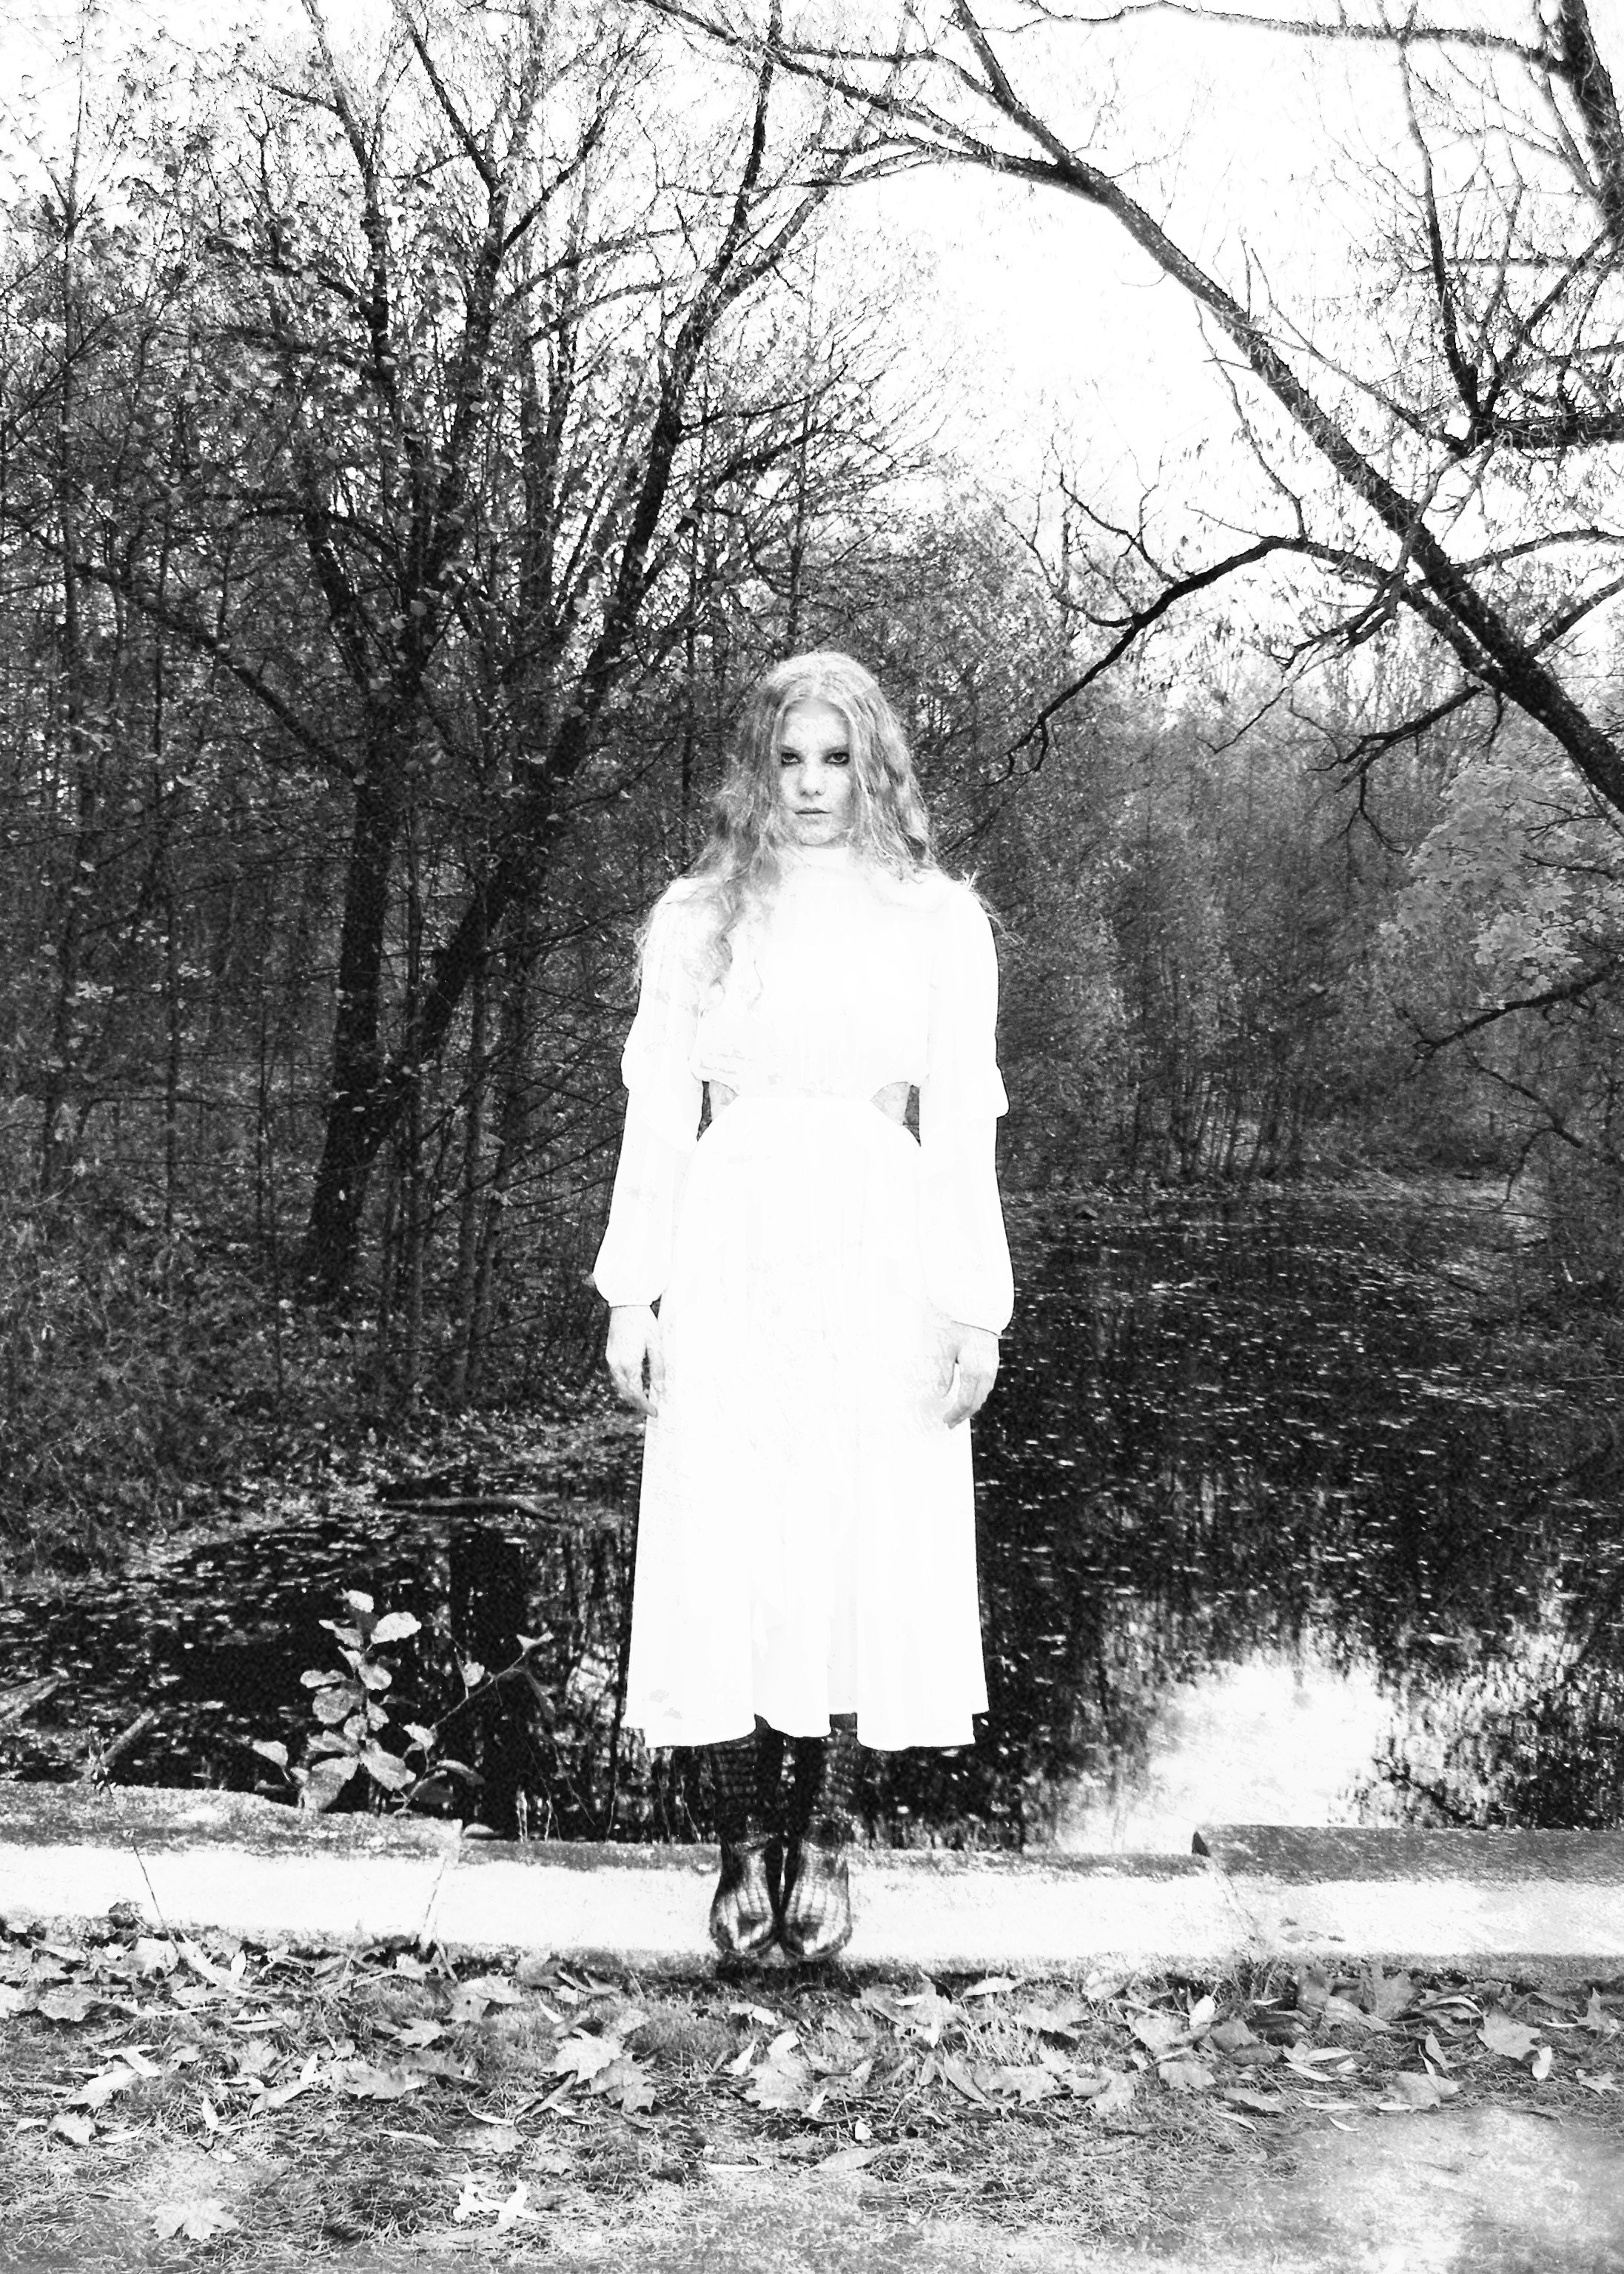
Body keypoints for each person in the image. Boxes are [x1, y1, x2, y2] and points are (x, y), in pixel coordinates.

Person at [592, 651, 1013, 1961]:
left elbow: (961, 1128)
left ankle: (826, 1832)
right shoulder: (696, 916)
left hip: (877, 1250)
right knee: (732, 1526)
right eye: (791, 758)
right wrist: (631, 1293)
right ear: (756, 770)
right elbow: (658, 1121)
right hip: (731, 1249)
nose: (814, 784)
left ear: (873, 767)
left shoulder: (936, 920)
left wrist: (972, 1304)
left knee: (850, 1532)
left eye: (838, 758)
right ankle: (739, 1840)